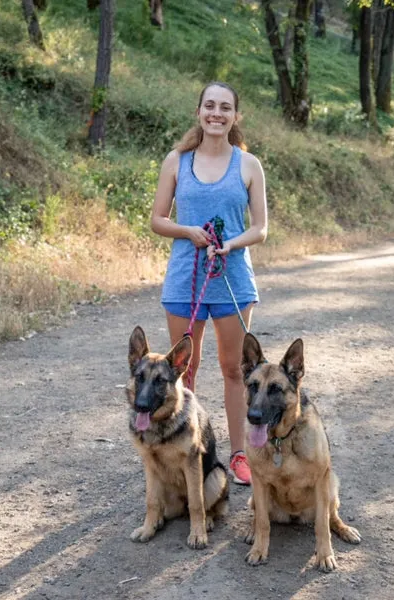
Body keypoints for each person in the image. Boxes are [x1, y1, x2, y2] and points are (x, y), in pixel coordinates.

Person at [150, 81, 268, 485]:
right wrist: (188, 232)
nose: (217, 113)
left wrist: (230, 244)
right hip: (186, 280)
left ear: (236, 116)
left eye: (225, 108)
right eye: (210, 106)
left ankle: (240, 454)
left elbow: (261, 229)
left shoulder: (248, 166)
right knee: (185, 370)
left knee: (235, 369)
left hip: (233, 280)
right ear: (199, 111)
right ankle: (190, 450)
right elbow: (157, 220)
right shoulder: (177, 161)